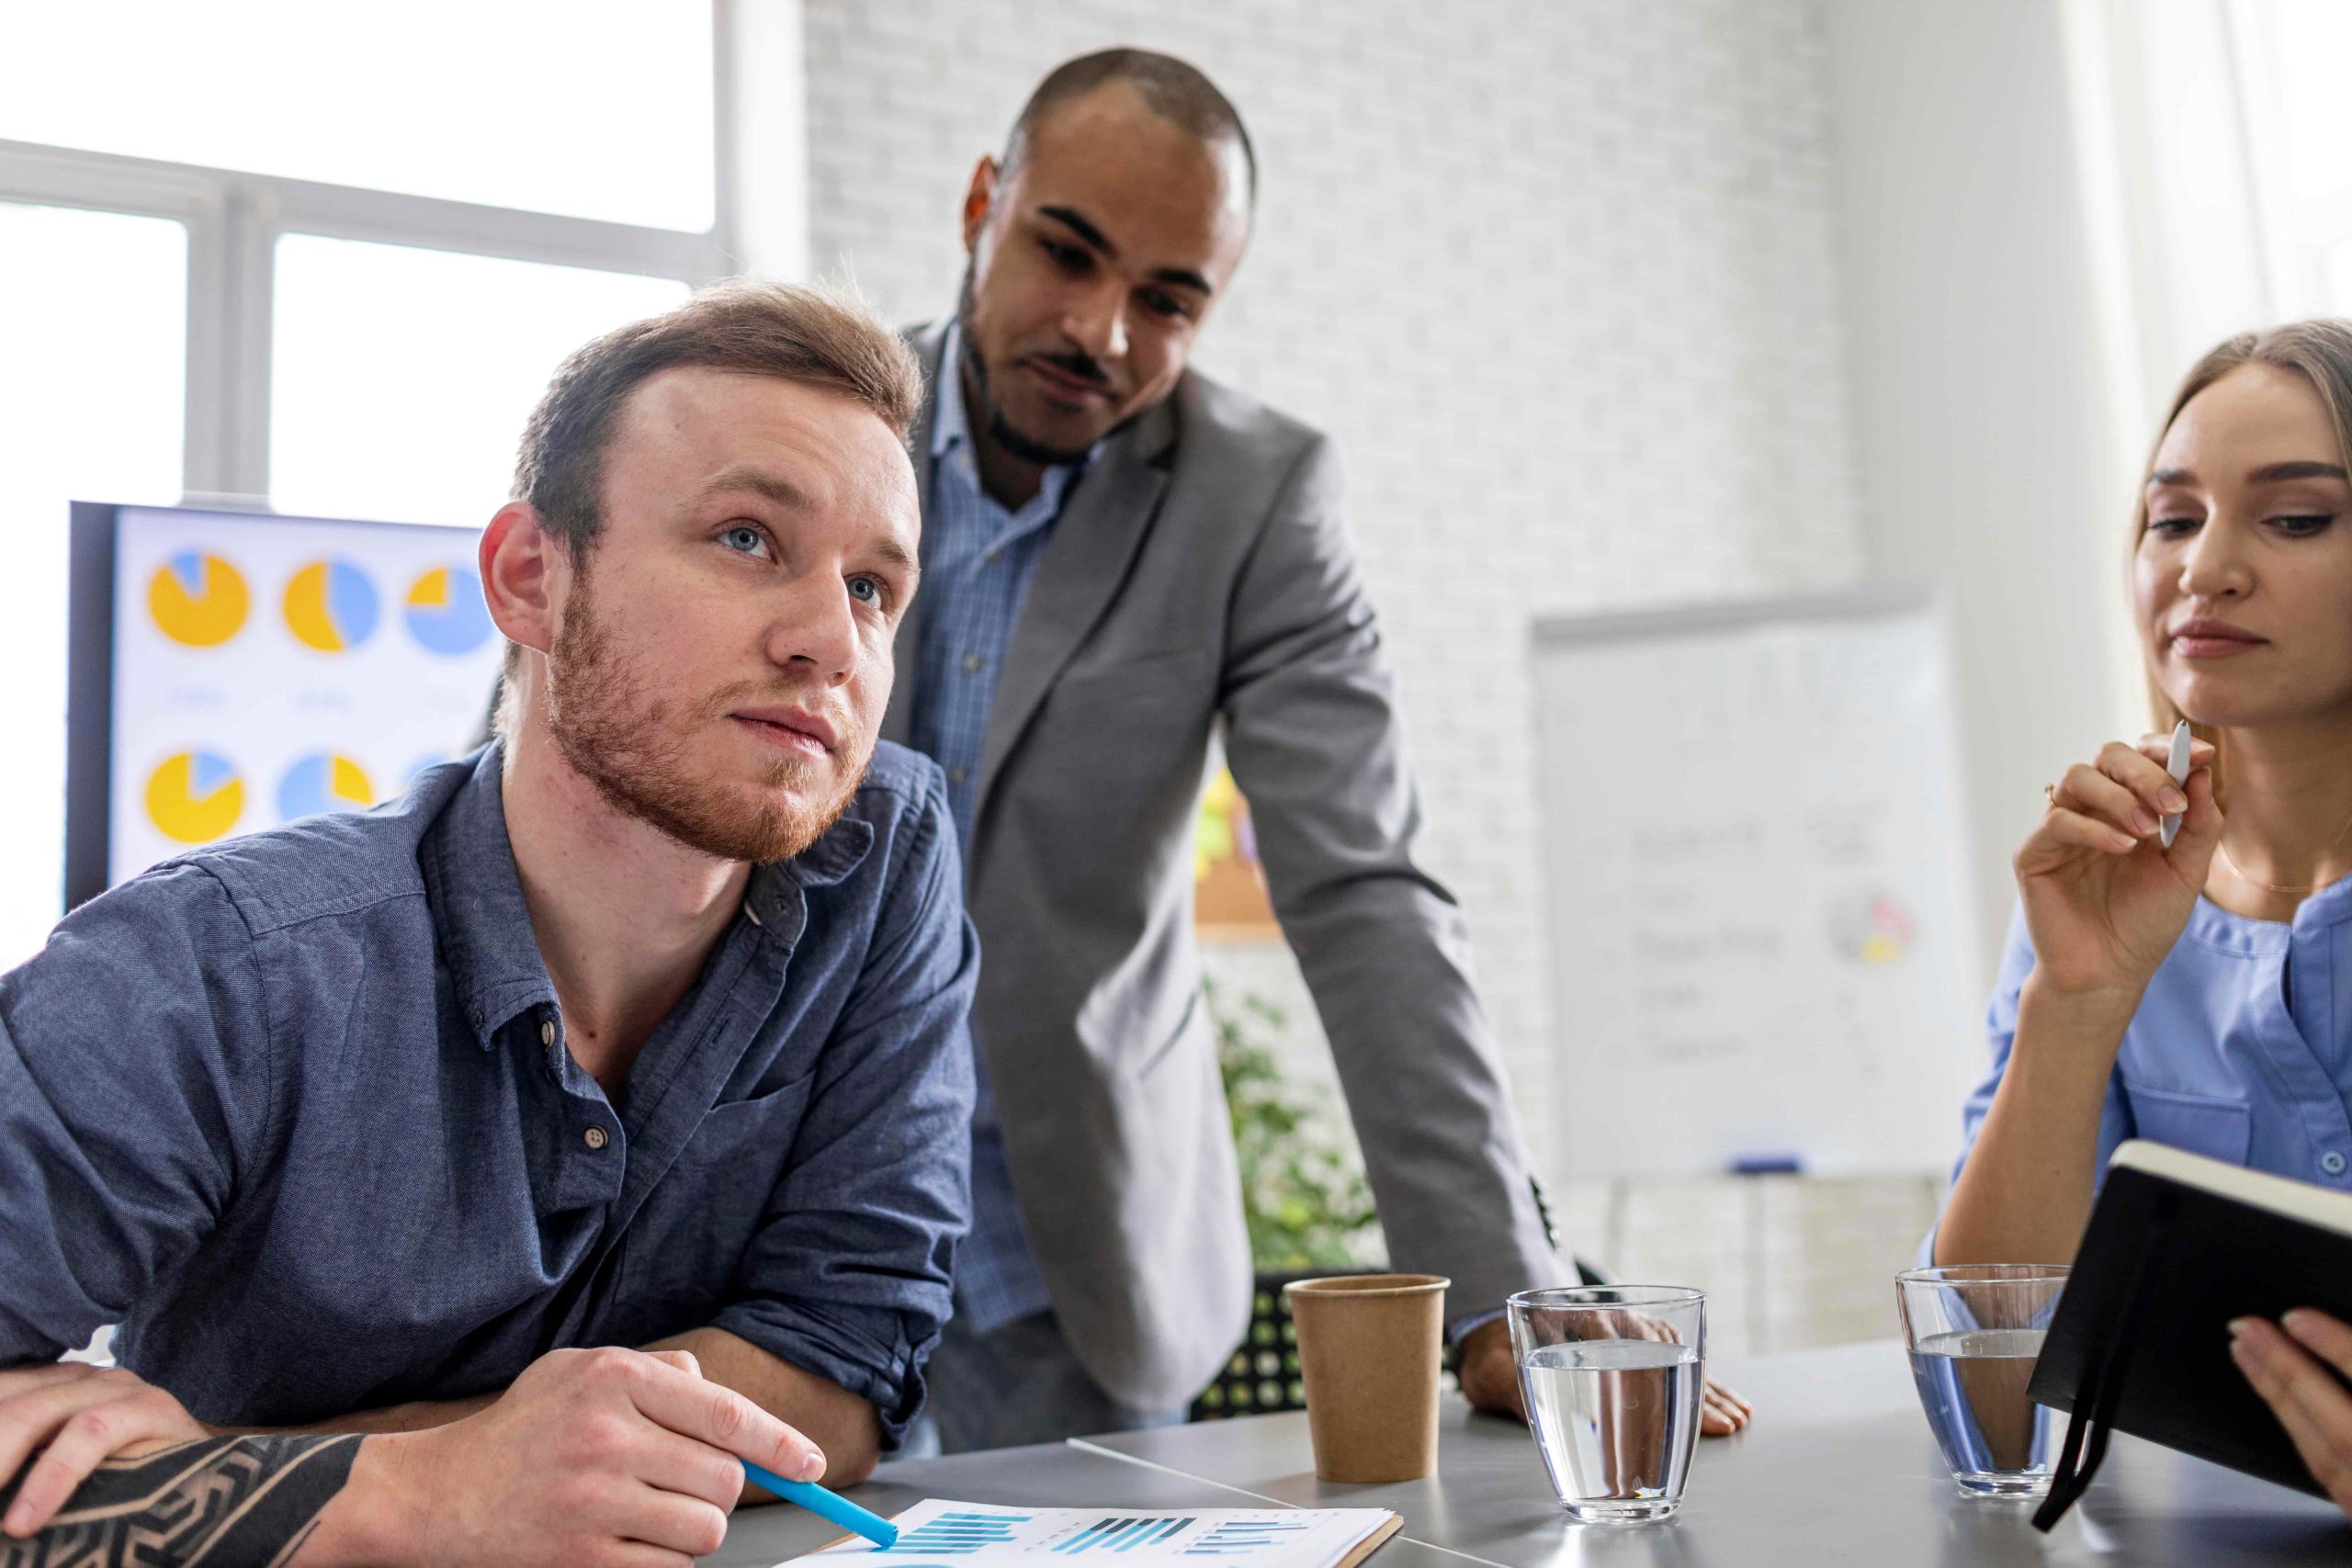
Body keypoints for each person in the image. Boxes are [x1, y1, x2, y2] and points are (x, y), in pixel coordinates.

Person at [0, 282, 977, 1564]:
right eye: (746, 538)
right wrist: (423, 1492)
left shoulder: (880, 857)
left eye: (871, 587)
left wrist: (302, 1468)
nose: (828, 641)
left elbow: (845, 1362)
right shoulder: (220, 969)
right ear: (528, 577)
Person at [891, 47, 1748, 1448]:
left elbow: (1364, 891)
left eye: (1169, 300)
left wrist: (1498, 1292)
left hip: (1069, 1265)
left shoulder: (1255, 496)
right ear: (986, 199)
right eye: (1068, 252)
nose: (1103, 331)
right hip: (791, 1240)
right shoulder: (814, 412)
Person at [1930, 318, 2352, 1516]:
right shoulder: (2107, 889)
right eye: (2173, 518)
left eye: (2296, 517)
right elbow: (1991, 1402)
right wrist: (2077, 1002)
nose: (2203, 570)